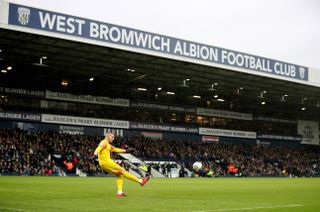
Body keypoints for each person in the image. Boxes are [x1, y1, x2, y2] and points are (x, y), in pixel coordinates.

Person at [94, 132, 149, 197]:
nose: (113, 139)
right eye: (112, 137)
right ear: (108, 136)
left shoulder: (108, 145)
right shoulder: (104, 142)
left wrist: (126, 151)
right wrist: (95, 153)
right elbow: (99, 148)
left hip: (104, 164)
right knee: (122, 170)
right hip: (107, 162)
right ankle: (140, 181)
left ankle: (119, 192)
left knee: (119, 174)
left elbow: (116, 149)